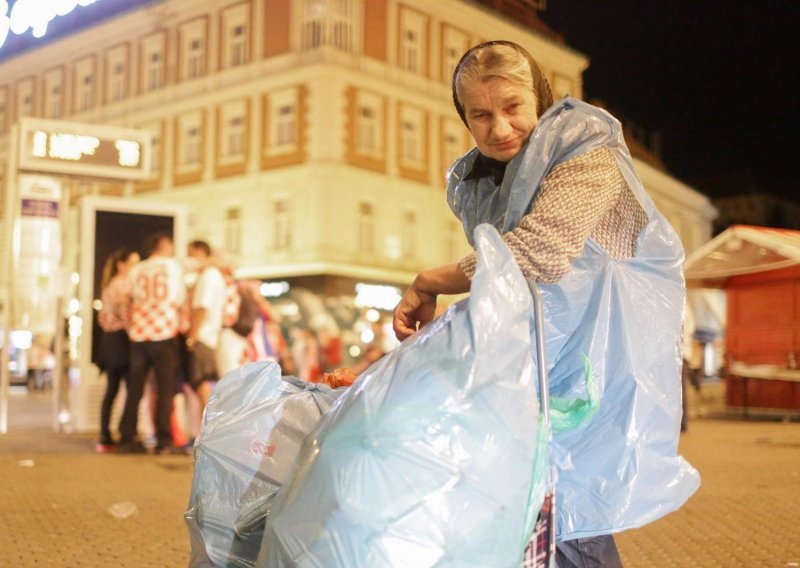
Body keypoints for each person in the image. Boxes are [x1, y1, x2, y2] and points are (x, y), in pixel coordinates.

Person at [393, 41, 693, 567]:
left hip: (595, 368)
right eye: (480, 115)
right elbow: (506, 273)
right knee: (539, 512)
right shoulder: (483, 180)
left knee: (570, 511)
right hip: (538, 365)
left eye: (513, 107)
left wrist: (431, 281)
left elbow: (539, 252)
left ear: (540, 98)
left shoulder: (585, 149)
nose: (500, 128)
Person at [122, 232, 185, 454]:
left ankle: (127, 436)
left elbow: (127, 298)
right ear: (163, 245)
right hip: (165, 331)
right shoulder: (172, 267)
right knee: (165, 389)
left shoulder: (137, 269)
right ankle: (163, 440)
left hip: (139, 333)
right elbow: (178, 298)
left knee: (135, 389)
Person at [96, 247, 140, 452]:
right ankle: (124, 433)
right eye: (133, 262)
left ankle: (105, 433)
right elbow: (126, 316)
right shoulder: (122, 285)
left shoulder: (110, 284)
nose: (136, 267)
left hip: (110, 342)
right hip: (121, 340)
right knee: (128, 389)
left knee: (112, 389)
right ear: (121, 265)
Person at [186, 240, 226, 409]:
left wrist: (192, 335)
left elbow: (203, 306)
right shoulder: (213, 275)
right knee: (203, 382)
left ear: (200, 251)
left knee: (200, 381)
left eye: (190, 253)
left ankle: (209, 426)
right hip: (209, 334)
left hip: (203, 334)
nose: (189, 258)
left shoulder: (209, 275)